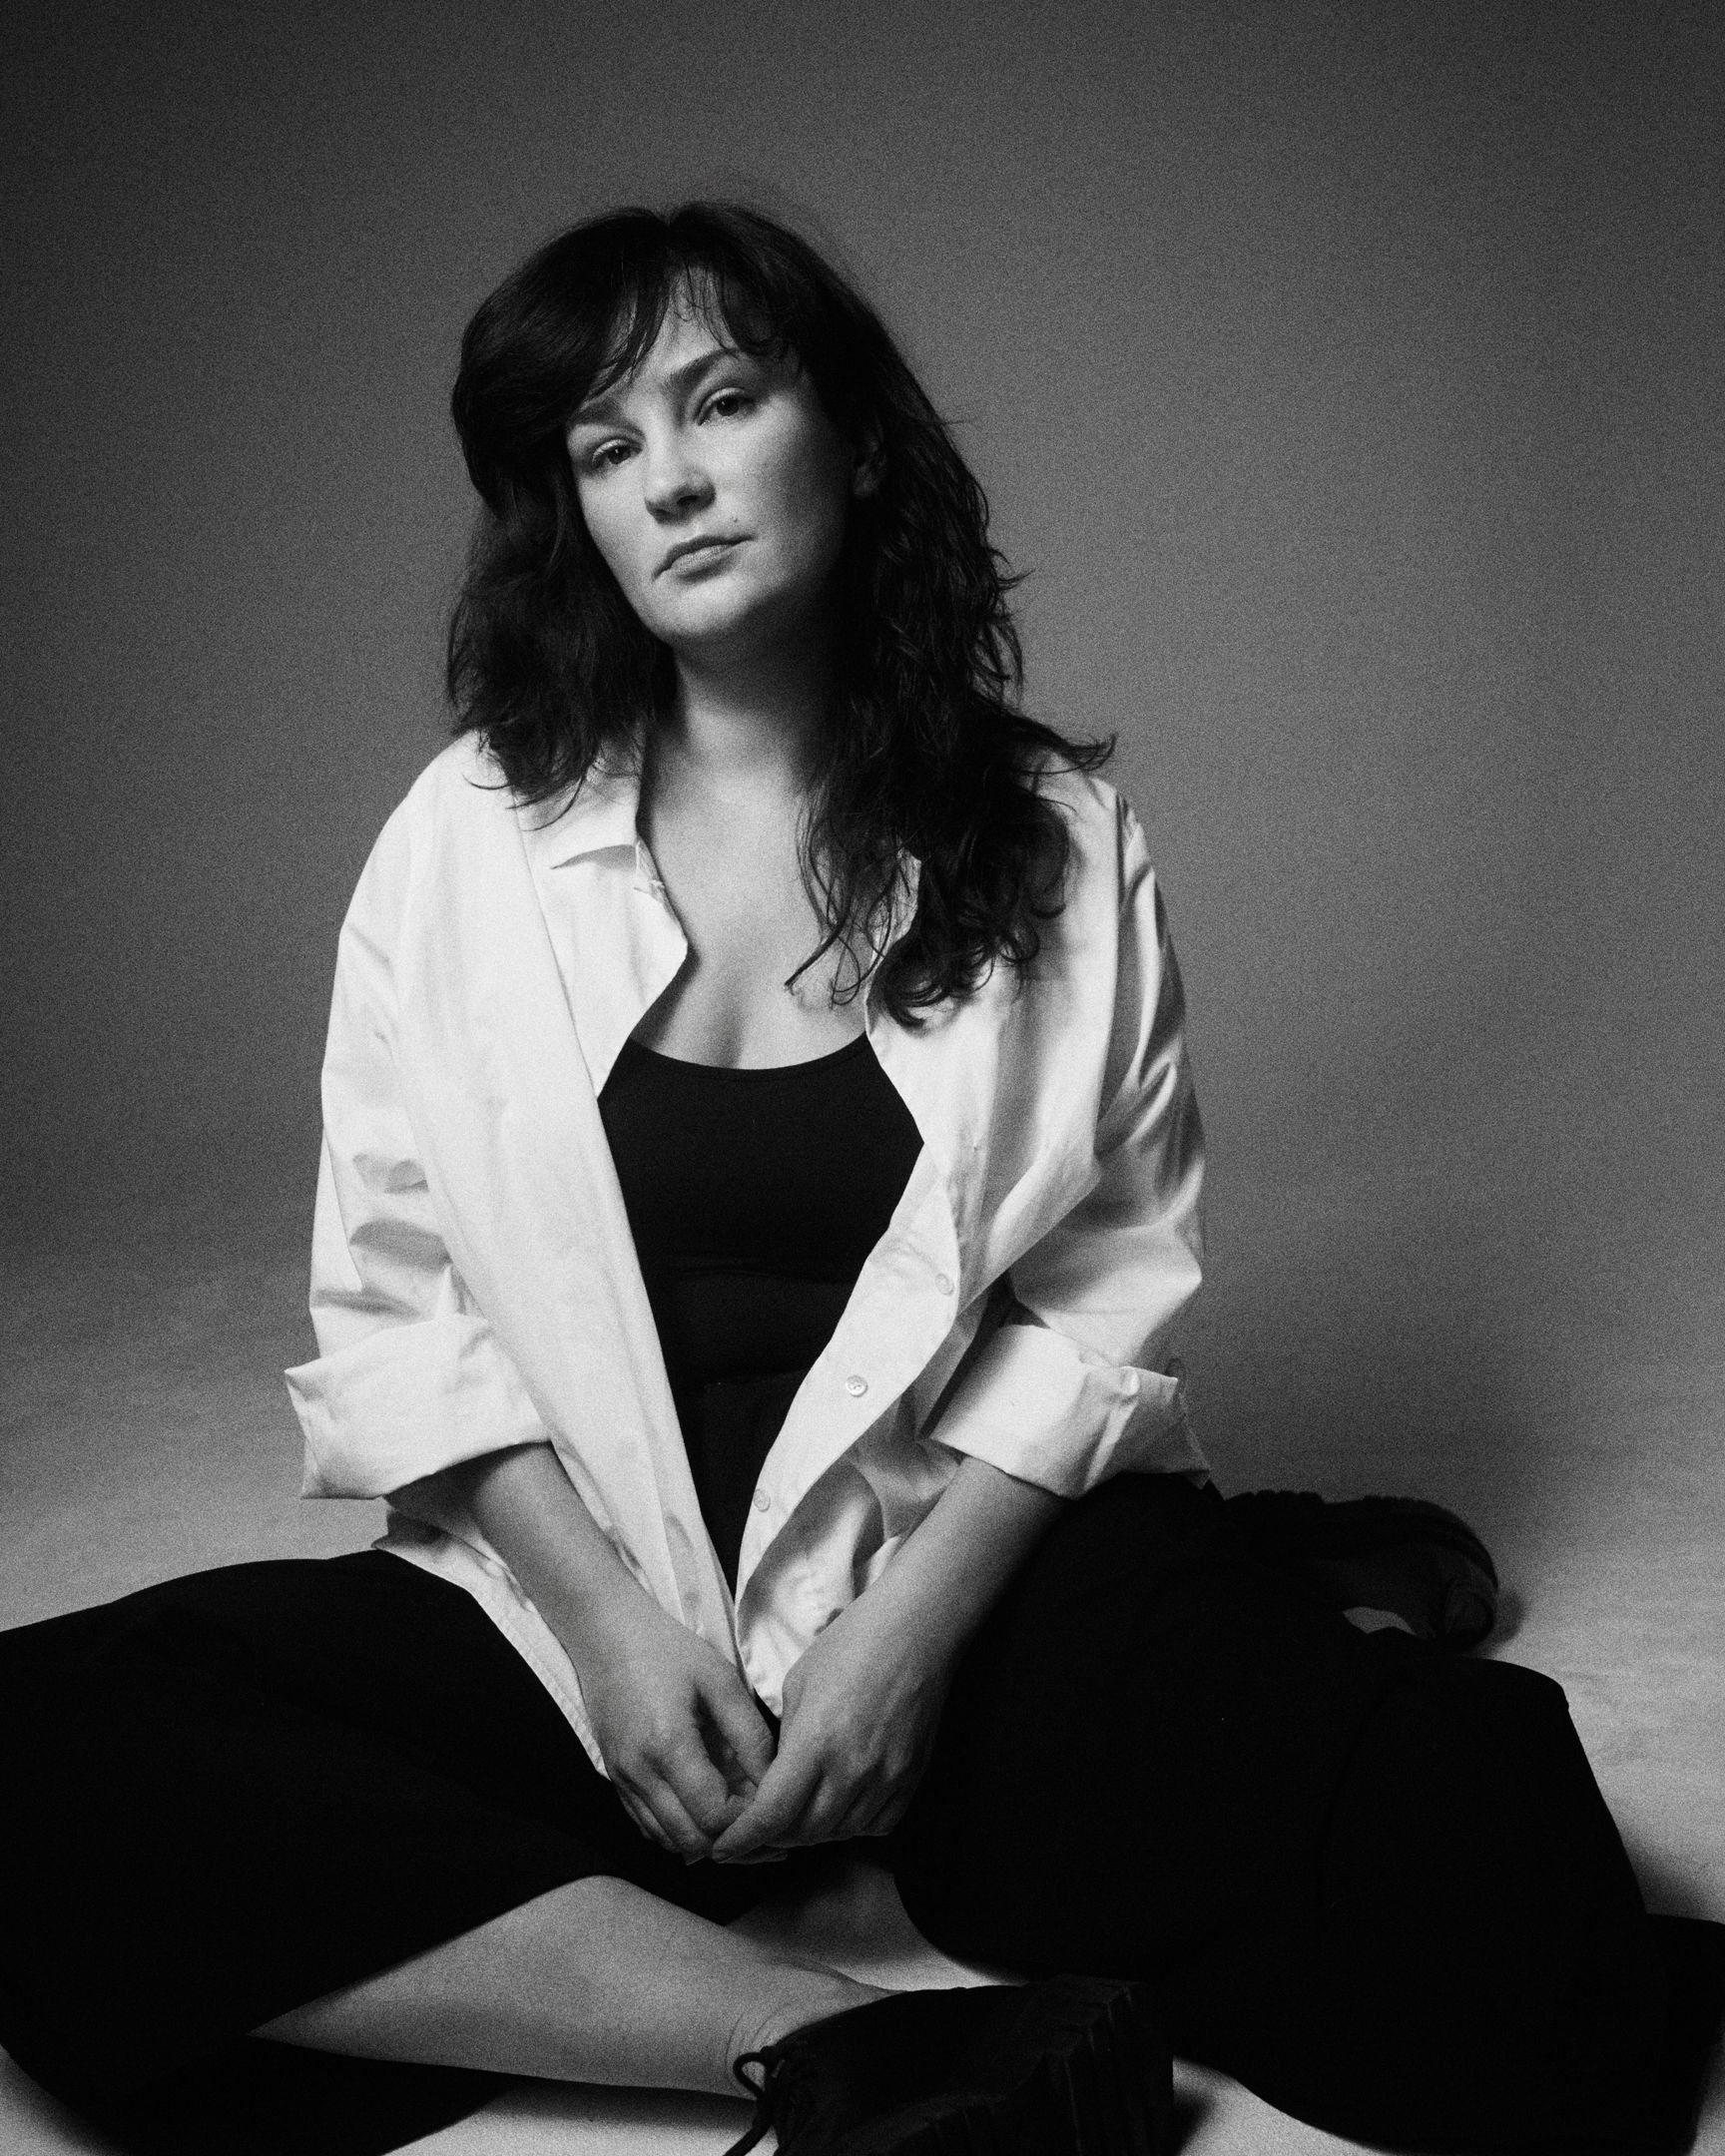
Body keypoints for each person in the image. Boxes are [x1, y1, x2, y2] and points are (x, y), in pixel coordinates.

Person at [0, 202, 1717, 2156]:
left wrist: (907, 1648)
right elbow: (396, 1302)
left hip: (967, 1590)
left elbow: (1110, 1278)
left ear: (859, 440)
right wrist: (607, 1638)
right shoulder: (463, 838)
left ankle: (1252, 1582)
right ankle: (840, 2047)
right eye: (607, 446)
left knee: (1494, 1894)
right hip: (585, 1606)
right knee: (37, 1766)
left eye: (722, 402)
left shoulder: (1055, 838)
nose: (671, 479)